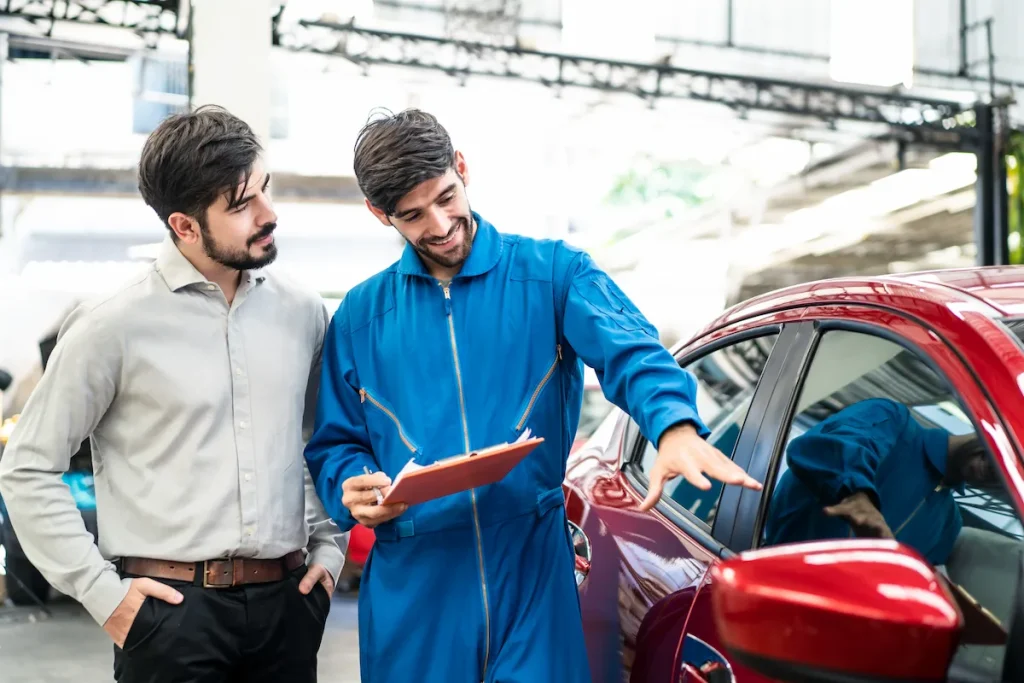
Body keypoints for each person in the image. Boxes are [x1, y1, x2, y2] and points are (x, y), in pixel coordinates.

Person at [303, 108, 761, 683]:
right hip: (414, 586)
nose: (441, 224)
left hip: (532, 570)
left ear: (462, 168)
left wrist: (672, 425)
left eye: (447, 197)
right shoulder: (360, 318)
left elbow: (633, 351)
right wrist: (353, 487)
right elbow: (335, 444)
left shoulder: (553, 274)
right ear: (380, 214)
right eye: (414, 216)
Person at [0, 105, 346, 683]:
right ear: (185, 226)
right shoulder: (111, 325)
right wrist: (101, 594)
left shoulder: (302, 312)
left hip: (288, 609)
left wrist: (329, 552)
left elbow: (319, 442)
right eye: (241, 206)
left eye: (264, 189)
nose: (269, 214)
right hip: (170, 619)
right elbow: (28, 467)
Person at [764, 397, 1000, 566]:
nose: (997, 469)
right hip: (762, 575)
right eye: (1015, 452)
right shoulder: (891, 419)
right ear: (994, 427)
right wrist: (857, 497)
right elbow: (827, 447)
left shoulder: (948, 526)